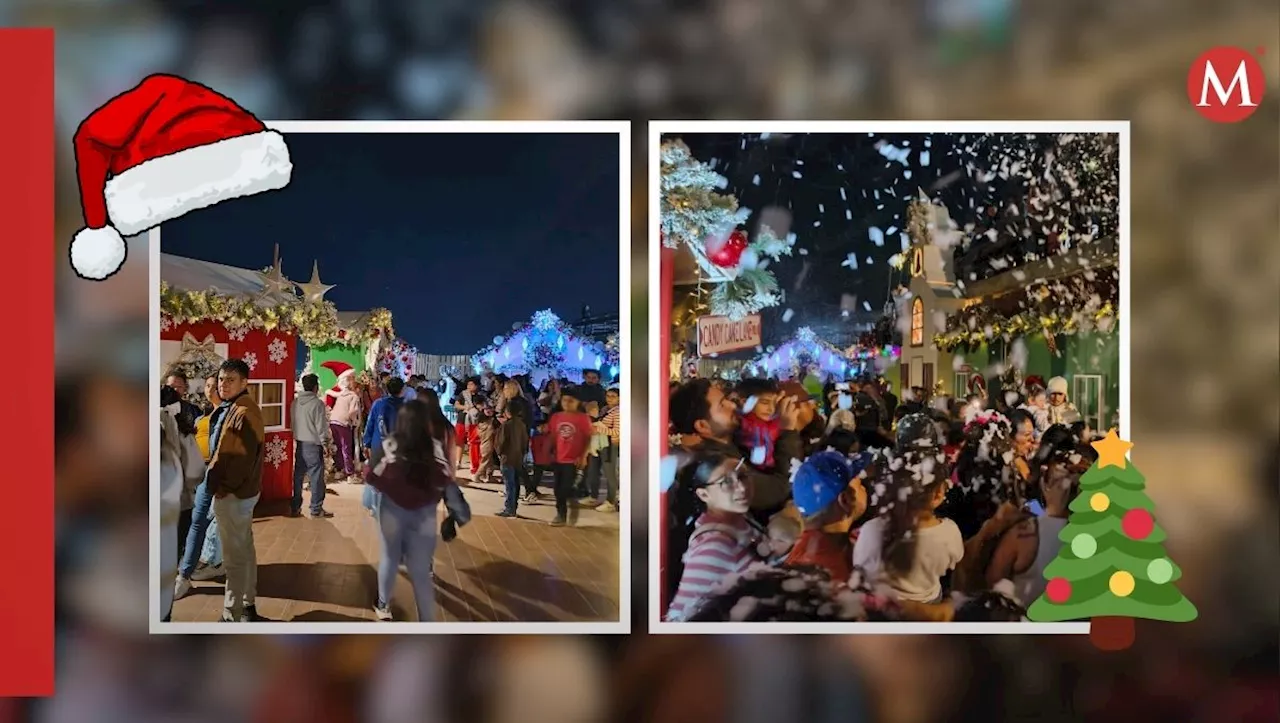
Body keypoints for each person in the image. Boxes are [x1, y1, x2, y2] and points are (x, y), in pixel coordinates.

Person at [364, 399, 452, 622]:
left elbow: (373, 476)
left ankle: (384, 606)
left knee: (389, 558)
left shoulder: (390, 444)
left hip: (392, 508)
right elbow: (445, 476)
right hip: (424, 511)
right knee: (421, 569)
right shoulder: (434, 446)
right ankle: (425, 620)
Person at [668, 378, 802, 521]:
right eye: (722, 405)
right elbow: (779, 488)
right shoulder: (717, 466)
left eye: (727, 399)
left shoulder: (734, 440)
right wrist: (788, 430)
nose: (732, 405)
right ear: (702, 426)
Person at [853, 448, 962, 604]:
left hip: (882, 608)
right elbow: (953, 562)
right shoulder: (950, 533)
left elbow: (859, 565)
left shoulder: (871, 529)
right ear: (938, 494)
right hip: (929, 605)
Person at [664, 452, 759, 621]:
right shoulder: (714, 545)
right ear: (704, 495)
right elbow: (685, 617)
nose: (742, 487)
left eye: (743, 476)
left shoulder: (743, 520)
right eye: (726, 482)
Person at [205, 359, 265, 622]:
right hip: (241, 492)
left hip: (234, 495)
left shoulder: (243, 411)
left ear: (244, 382)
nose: (223, 384)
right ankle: (247, 604)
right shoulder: (238, 406)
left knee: (233, 557)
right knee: (244, 549)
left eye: (230, 379)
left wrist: (222, 488)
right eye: (221, 379)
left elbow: (239, 459)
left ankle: (232, 613)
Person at [783, 450, 871, 583]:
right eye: (859, 485)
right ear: (845, 500)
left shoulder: (816, 547)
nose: (864, 489)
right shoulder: (832, 574)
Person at [547, 387, 592, 526]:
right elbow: (553, 435)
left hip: (573, 459)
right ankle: (561, 513)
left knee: (564, 488)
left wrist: (583, 456)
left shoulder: (583, 418)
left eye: (571, 401)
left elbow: (588, 438)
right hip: (559, 458)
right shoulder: (556, 417)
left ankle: (563, 514)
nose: (567, 403)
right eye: (564, 400)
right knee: (557, 488)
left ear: (578, 403)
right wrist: (551, 450)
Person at [291, 373, 332, 518]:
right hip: (313, 445)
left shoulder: (295, 402)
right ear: (315, 387)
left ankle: (295, 506)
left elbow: (292, 423)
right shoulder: (317, 404)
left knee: (298, 476)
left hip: (299, 444)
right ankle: (315, 508)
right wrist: (325, 443)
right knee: (316, 478)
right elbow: (321, 427)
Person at [495, 397, 530, 518]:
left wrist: (499, 453)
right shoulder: (522, 425)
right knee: (515, 483)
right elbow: (525, 441)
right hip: (518, 457)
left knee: (509, 484)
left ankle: (509, 508)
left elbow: (501, 442)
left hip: (507, 457)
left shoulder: (506, 425)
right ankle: (513, 507)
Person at [736, 379, 781, 469]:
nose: (771, 409)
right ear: (745, 402)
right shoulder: (744, 428)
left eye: (774, 404)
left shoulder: (772, 424)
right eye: (765, 402)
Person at [328, 369, 362, 481]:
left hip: (333, 421)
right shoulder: (354, 396)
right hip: (343, 423)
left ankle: (339, 470)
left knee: (338, 447)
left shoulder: (341, 394)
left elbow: (330, 392)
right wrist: (354, 421)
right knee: (346, 447)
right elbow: (352, 411)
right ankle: (350, 474)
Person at [597, 386, 622, 512]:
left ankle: (611, 501)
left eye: (613, 396)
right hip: (605, 444)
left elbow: (617, 431)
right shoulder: (607, 410)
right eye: (608, 396)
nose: (610, 399)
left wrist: (599, 429)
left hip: (611, 445)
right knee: (609, 473)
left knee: (611, 474)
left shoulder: (617, 412)